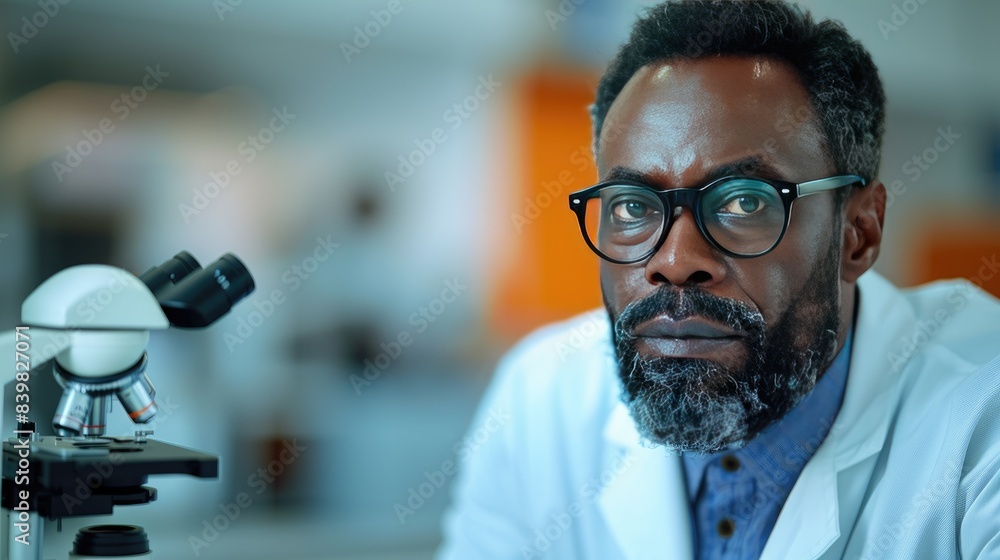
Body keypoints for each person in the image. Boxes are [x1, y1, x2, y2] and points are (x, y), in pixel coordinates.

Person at [437, 1, 1000, 559]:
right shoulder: (539, 402)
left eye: (743, 201)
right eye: (633, 207)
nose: (676, 260)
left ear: (859, 233)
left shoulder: (982, 417)